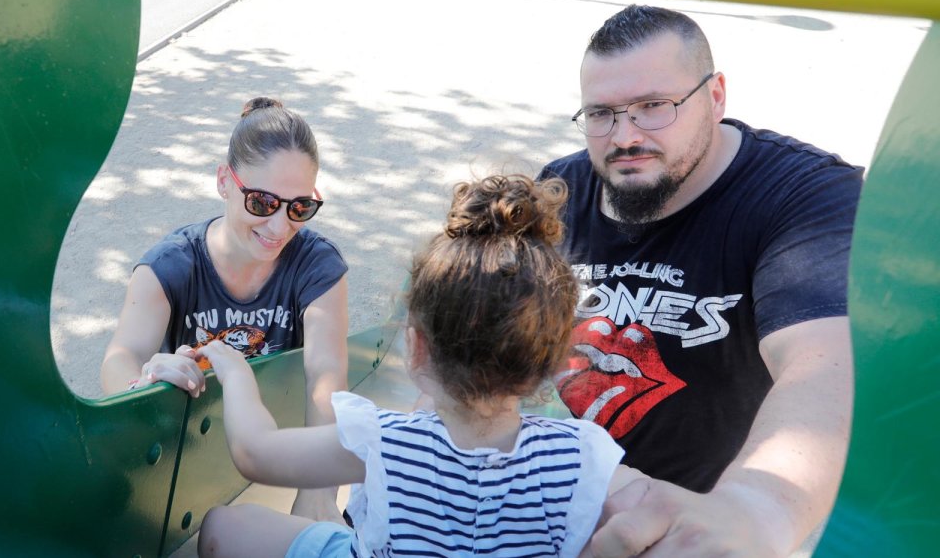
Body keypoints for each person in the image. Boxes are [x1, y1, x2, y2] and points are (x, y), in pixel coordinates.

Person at [541, 5, 862, 556]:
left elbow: (826, 364)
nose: (624, 136)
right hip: (555, 501)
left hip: (699, 524)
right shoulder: (560, 189)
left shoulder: (804, 197)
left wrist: (753, 510)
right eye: (602, 113)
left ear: (715, 97)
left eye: (653, 107)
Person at [195, 174, 645, 558]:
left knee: (223, 526)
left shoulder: (382, 440)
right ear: (550, 364)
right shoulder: (584, 453)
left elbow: (255, 452)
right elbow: (658, 507)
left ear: (415, 348)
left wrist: (235, 371)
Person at [100, 97, 350, 522]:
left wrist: (318, 495)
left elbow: (325, 381)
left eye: (299, 207)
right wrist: (141, 381)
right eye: (261, 202)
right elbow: (120, 357)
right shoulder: (169, 267)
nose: (279, 227)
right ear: (223, 181)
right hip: (182, 457)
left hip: (269, 452)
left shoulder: (318, 268)